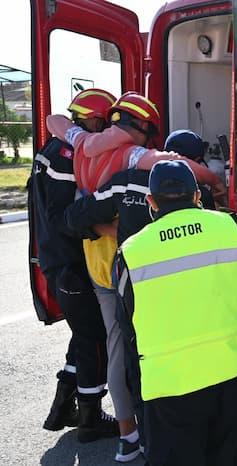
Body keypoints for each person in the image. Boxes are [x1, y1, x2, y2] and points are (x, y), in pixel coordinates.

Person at [46, 92, 223, 461]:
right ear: (141, 129)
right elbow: (178, 165)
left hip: (97, 264)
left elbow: (55, 123)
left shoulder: (81, 146)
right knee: (149, 347)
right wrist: (215, 181)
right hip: (131, 265)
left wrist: (107, 228)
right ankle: (155, 426)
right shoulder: (133, 159)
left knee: (116, 346)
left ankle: (128, 435)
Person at [114, 160, 237, 466]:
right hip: (230, 372)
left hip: (168, 385)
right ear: (197, 196)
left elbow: (126, 326)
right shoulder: (232, 226)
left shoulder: (131, 251)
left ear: (151, 202)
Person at [30, 88, 119, 442]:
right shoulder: (67, 155)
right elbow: (62, 215)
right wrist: (103, 226)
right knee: (93, 336)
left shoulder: (52, 148)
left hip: (58, 257)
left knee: (82, 333)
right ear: (94, 119)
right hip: (68, 260)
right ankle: (91, 418)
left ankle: (63, 407)